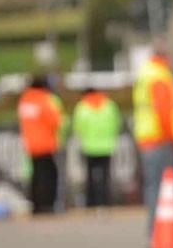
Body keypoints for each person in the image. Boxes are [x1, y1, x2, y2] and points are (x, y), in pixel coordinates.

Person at [133, 40, 173, 237]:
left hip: (146, 137)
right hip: (159, 137)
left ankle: (155, 228)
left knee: (152, 185)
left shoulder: (145, 72)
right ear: (165, 57)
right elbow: (164, 111)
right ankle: (160, 229)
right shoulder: (160, 76)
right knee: (163, 186)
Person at [17, 74, 66, 214]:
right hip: (45, 143)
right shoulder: (43, 100)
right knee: (48, 174)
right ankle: (47, 204)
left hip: (30, 144)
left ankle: (36, 204)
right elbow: (55, 120)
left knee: (35, 175)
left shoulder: (25, 100)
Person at [71, 86, 123, 209]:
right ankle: (104, 200)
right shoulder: (109, 105)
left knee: (90, 175)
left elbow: (77, 127)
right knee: (105, 175)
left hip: (88, 146)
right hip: (106, 145)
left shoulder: (82, 107)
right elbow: (117, 123)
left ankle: (91, 201)